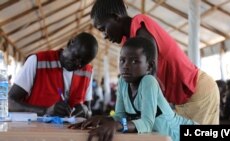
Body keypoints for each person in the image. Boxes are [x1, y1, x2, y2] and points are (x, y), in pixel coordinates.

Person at [90, 0, 219, 124]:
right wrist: (113, 119)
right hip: (184, 100)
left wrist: (121, 122)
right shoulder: (129, 41)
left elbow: (149, 79)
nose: (104, 36)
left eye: (103, 29)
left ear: (116, 17)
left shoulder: (140, 25)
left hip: (198, 93)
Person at [69, 37, 196, 141]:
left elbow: (146, 123)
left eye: (135, 61)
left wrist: (117, 125)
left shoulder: (149, 82)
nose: (126, 66)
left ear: (149, 66)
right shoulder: (123, 82)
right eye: (122, 60)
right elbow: (120, 117)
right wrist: (102, 119)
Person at [8, 32, 98, 118]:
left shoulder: (87, 72)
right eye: (76, 56)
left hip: (69, 133)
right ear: (71, 43)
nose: (78, 64)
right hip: (34, 131)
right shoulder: (37, 61)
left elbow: (89, 111)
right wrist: (45, 111)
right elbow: (9, 102)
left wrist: (86, 111)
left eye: (83, 63)